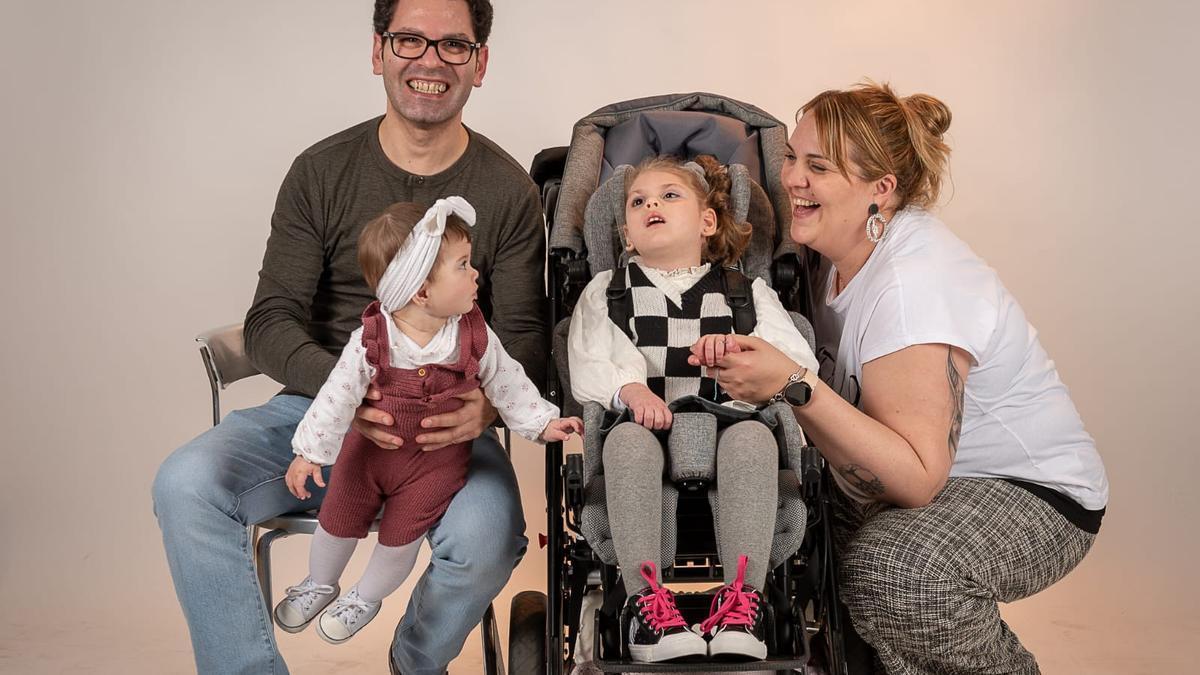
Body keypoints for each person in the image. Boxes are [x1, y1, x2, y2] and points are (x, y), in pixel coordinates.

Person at [151, 1, 548, 673]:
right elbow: (270, 320)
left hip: (443, 428)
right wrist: (352, 390)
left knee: (488, 534)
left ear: (480, 63)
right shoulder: (322, 171)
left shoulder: (506, 190)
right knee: (185, 481)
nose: (429, 60)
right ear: (378, 51)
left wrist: (485, 406)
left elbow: (526, 336)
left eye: (454, 45)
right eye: (409, 40)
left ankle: (413, 661)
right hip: (318, 411)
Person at [703, 82, 1108, 674]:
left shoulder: (915, 284)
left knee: (894, 572)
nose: (792, 179)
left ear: (881, 191)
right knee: (788, 522)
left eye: (818, 167)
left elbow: (916, 478)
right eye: (792, 157)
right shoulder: (820, 255)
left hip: (1030, 491)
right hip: (907, 471)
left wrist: (792, 383)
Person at [274, 198, 580, 645]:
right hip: (368, 456)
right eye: (463, 266)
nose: (476, 274)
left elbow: (507, 380)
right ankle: (319, 583)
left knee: (401, 540)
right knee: (336, 519)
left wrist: (542, 422)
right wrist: (309, 453)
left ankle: (365, 596)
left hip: (435, 465)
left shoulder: (473, 333)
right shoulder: (373, 339)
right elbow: (336, 397)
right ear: (420, 291)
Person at [567, 155, 820, 663]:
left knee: (755, 439)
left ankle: (743, 603)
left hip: (730, 423)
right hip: (645, 426)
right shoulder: (610, 293)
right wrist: (630, 391)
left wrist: (736, 351)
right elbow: (587, 357)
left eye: (668, 196)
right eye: (638, 202)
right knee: (626, 440)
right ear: (627, 235)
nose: (651, 205)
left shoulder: (746, 294)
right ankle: (647, 607)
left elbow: (797, 363)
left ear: (708, 222)